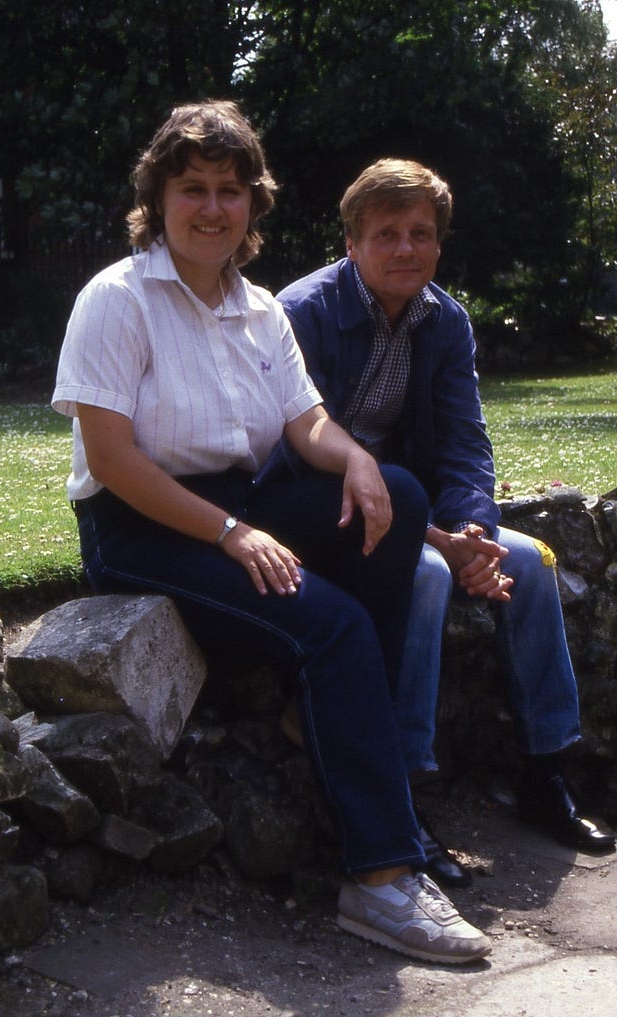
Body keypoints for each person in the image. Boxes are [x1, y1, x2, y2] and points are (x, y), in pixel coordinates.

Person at [51, 105, 491, 964]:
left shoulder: (257, 309)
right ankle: (381, 880)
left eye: (230, 189)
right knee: (334, 627)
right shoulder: (117, 297)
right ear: (158, 196)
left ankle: (318, 713)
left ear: (254, 203)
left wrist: (356, 461)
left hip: (235, 504)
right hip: (141, 524)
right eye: (193, 189)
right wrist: (229, 534)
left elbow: (307, 420)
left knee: (395, 492)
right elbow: (111, 458)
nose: (212, 208)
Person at [275, 157, 616, 886]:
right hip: (327, 510)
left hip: (421, 507)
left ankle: (546, 771)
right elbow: (292, 455)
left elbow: (466, 443)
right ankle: (401, 792)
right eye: (387, 234)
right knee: (425, 573)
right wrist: (436, 541)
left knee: (532, 559)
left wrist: (477, 534)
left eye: (421, 234)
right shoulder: (301, 314)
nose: (406, 249)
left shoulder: (445, 320)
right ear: (352, 243)